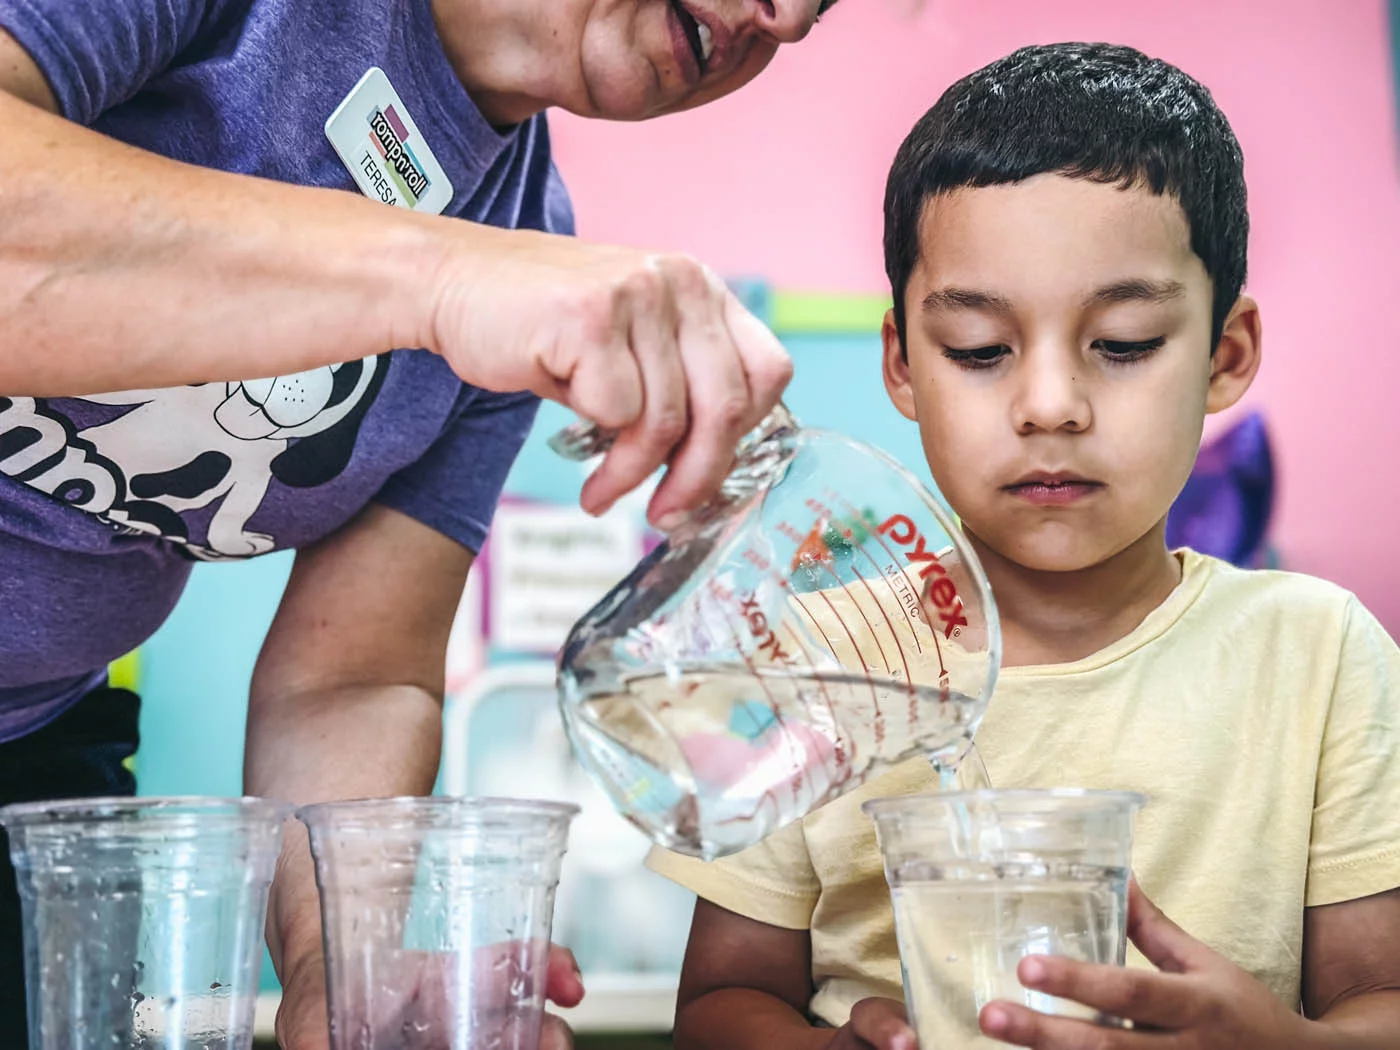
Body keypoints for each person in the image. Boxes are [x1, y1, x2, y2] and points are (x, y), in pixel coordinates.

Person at [0, 0, 842, 1046]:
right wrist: (440, 278)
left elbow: (347, 677)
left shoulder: (528, 243)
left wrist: (334, 974)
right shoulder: (496, 263)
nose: (789, 19)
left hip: (29, 763)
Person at [649, 42, 1400, 1049]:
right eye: (978, 351)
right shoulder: (816, 662)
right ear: (903, 364)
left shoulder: (1316, 658)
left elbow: (1381, 1006)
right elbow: (713, 1008)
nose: (1049, 405)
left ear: (1225, 357)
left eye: (1124, 343)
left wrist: (1285, 1042)